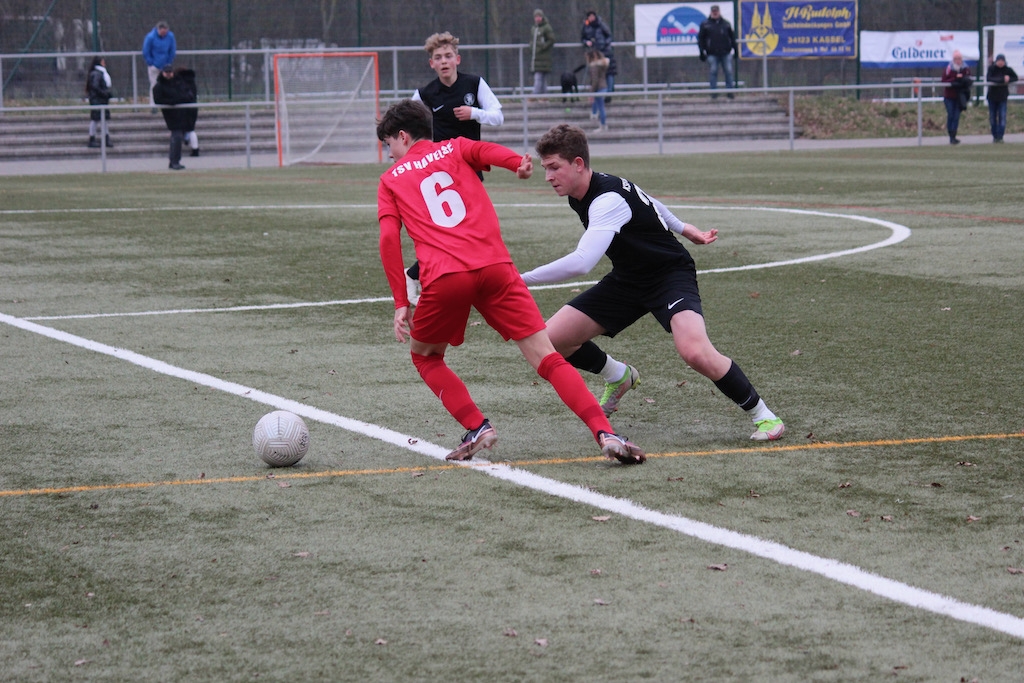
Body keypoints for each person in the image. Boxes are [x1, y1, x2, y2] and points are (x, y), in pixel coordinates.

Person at [376, 100, 645, 465]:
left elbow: (388, 240)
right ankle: (605, 432)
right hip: (497, 268)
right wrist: (517, 163)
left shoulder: (391, 179)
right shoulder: (455, 146)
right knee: (547, 356)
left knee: (426, 356)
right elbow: (487, 151)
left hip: (445, 277)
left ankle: (477, 427)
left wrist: (400, 302)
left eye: (389, 145)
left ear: (403, 136)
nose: (390, 155)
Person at [522, 124, 786, 442]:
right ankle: (618, 375)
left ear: (578, 164)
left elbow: (582, 262)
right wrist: (685, 227)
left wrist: (520, 279)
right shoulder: (588, 189)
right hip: (628, 278)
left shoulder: (606, 199)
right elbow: (648, 200)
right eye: (546, 168)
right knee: (551, 340)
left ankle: (765, 416)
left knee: (695, 352)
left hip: (668, 275)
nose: (548, 176)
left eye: (554, 167)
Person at [406, 31, 505, 305]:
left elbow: (498, 115)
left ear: (457, 59)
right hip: (441, 173)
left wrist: (475, 113)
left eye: (448, 56)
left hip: (470, 167)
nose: (444, 61)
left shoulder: (474, 84)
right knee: (459, 228)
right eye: (438, 58)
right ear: (432, 64)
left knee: (469, 228)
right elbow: (405, 122)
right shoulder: (425, 94)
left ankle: (418, 274)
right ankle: (424, 275)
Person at [152, 64, 197, 170]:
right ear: (163, 73)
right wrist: (174, 101)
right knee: (176, 136)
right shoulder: (159, 86)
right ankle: (174, 161)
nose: (168, 74)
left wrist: (178, 100)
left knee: (178, 136)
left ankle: (175, 161)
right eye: (166, 72)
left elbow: (187, 95)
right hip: (171, 115)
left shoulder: (179, 82)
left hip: (182, 113)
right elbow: (159, 100)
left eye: (170, 72)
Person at [698, 4, 737, 99]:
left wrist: (736, 50)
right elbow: (701, 39)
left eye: (716, 11)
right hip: (712, 53)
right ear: (711, 12)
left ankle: (730, 92)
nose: (715, 13)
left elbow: (732, 38)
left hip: (725, 52)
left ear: (719, 12)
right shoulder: (705, 24)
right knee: (713, 71)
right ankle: (714, 92)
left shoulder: (726, 24)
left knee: (728, 71)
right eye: (713, 12)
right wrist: (702, 51)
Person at [581, 10, 616, 95]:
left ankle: (609, 93)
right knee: (596, 73)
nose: (591, 18)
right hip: (594, 54)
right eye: (590, 16)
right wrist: (586, 42)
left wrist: (605, 44)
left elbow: (609, 36)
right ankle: (598, 93)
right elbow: (583, 38)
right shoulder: (586, 27)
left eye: (593, 16)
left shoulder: (601, 25)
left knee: (609, 72)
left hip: (605, 52)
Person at [941, 50, 972, 145]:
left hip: (960, 96)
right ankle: (950, 134)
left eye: (959, 58)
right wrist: (955, 79)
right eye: (956, 58)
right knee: (950, 115)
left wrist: (962, 79)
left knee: (956, 117)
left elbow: (969, 79)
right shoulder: (949, 68)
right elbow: (944, 81)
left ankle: (953, 136)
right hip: (949, 96)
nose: (958, 60)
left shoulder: (965, 68)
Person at [142, 21, 176, 107]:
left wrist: (168, 63)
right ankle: (153, 104)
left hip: (166, 66)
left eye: (165, 32)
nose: (164, 34)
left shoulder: (170, 36)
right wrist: (150, 63)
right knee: (154, 84)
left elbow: (172, 50)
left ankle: (167, 102)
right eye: (162, 32)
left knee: (168, 84)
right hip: (154, 66)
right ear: (158, 30)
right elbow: (146, 51)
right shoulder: (150, 37)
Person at [985, 53, 1017, 143]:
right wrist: (1002, 79)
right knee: (992, 118)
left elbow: (1015, 78)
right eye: (999, 60)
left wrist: (1009, 79)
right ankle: (995, 136)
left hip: (1003, 97)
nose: (1000, 62)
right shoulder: (992, 69)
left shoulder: (1008, 69)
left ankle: (1000, 136)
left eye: (1002, 61)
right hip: (992, 97)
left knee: (1002, 117)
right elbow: (989, 78)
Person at [85, 56, 113, 149]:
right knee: (96, 119)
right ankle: (93, 138)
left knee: (101, 120)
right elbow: (95, 86)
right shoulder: (97, 74)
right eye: (103, 61)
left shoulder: (98, 73)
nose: (104, 63)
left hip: (99, 99)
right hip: (98, 100)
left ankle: (105, 137)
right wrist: (105, 94)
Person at [530, 9, 556, 96]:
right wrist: (531, 47)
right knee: (542, 79)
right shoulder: (534, 28)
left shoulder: (547, 28)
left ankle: (535, 95)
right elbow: (532, 41)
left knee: (538, 78)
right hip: (536, 58)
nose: (537, 18)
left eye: (539, 16)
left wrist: (543, 46)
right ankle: (544, 97)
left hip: (544, 58)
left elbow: (551, 39)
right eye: (536, 17)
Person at [586, 49, 609, 132]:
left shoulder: (594, 66)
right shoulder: (601, 64)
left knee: (601, 107)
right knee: (600, 105)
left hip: (599, 88)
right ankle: (594, 114)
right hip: (603, 86)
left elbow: (595, 80)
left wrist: (591, 92)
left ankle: (602, 124)